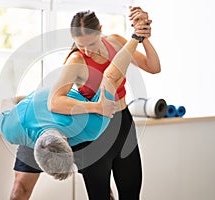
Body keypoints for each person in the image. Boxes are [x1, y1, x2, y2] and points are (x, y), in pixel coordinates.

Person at [9, 6, 160, 200]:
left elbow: (153, 67)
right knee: (100, 196)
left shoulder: (116, 42)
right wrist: (97, 107)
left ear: (101, 30)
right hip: (95, 131)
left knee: (131, 194)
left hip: (123, 124)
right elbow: (54, 102)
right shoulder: (76, 60)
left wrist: (142, 36)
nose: (88, 50)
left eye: (92, 42)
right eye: (81, 45)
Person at [0, 29, 141, 180]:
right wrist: (135, 38)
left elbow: (111, 77)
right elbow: (111, 77)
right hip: (47, 97)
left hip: (52, 96)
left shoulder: (11, 130)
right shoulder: (10, 131)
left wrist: (135, 38)